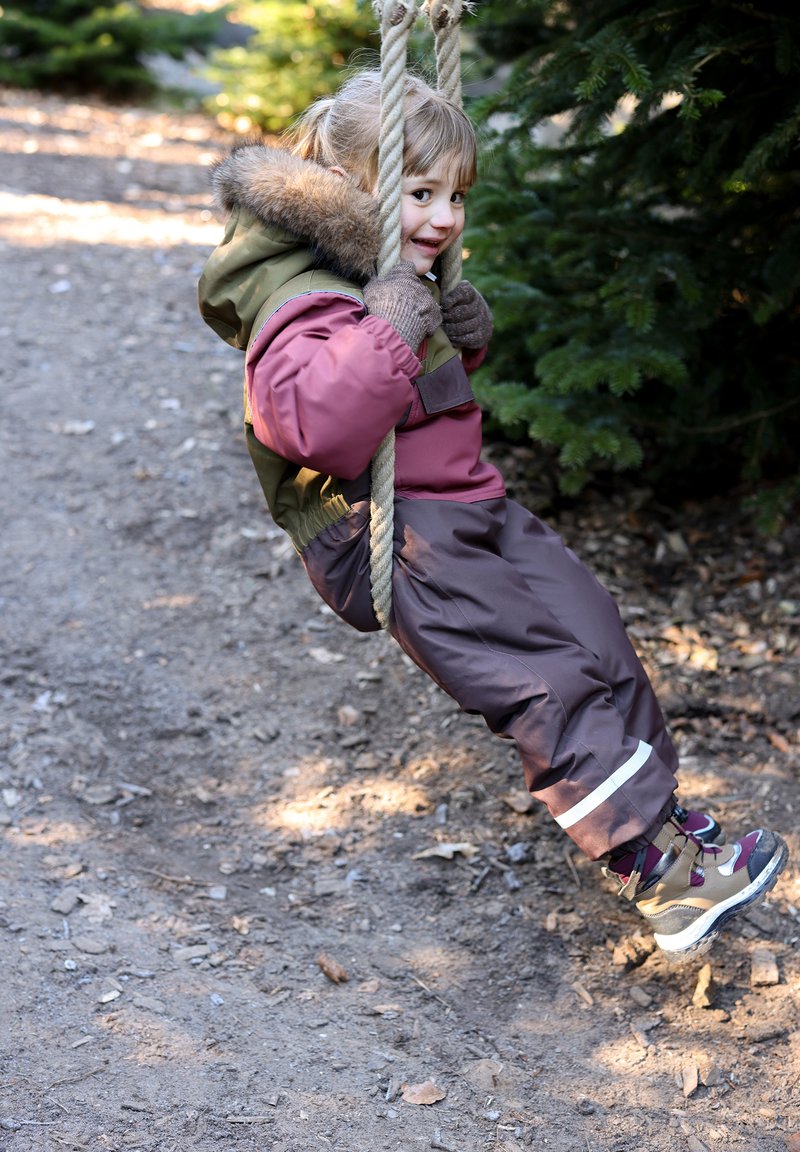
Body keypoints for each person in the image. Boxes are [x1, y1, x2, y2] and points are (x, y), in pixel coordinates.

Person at [198, 68, 788, 959]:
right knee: (544, 677)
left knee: (593, 632)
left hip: (467, 504)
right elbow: (318, 427)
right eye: (418, 193)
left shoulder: (391, 276)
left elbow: (417, 397)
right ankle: (652, 872)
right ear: (352, 190)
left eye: (455, 197)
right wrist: (396, 328)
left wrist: (458, 339)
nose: (442, 219)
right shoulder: (295, 301)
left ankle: (663, 821)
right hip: (389, 534)